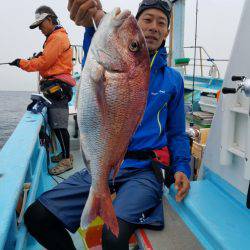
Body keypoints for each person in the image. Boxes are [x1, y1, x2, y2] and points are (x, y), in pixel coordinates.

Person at [24, 1, 191, 249]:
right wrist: (92, 22)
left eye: (161, 22)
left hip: (145, 169)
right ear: (137, 23)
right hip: (103, 163)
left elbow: (177, 133)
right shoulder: (109, 60)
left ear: (167, 32)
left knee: (112, 238)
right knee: (37, 216)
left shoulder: (174, 79)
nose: (154, 27)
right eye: (147, 20)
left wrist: (182, 168)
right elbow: (99, 54)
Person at [10, 6, 75, 175]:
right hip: (56, 88)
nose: (40, 28)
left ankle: (66, 160)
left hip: (57, 88)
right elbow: (48, 59)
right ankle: (65, 154)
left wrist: (22, 63)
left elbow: (44, 63)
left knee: (60, 126)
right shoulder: (56, 37)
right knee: (57, 125)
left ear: (50, 19)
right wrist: (40, 56)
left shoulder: (57, 38)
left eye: (41, 24)